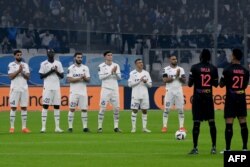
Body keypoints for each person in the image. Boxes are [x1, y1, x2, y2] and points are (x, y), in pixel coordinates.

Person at [187, 49, 219, 155]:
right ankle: (213, 147)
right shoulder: (213, 68)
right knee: (212, 123)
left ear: (200, 56)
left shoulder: (195, 67)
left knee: (196, 123)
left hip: (198, 98)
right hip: (208, 97)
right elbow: (215, 84)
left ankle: (195, 148)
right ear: (209, 56)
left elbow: (190, 84)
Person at [219, 49, 249, 152]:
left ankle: (228, 149)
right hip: (241, 98)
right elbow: (244, 86)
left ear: (234, 56)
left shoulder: (227, 70)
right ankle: (245, 148)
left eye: (232, 55)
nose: (231, 56)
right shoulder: (245, 71)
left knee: (229, 123)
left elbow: (221, 84)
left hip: (231, 98)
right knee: (243, 122)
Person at [39, 49, 64, 133]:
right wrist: (51, 71)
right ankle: (43, 127)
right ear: (47, 54)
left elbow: (62, 76)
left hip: (56, 87)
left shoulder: (58, 63)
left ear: (54, 53)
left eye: (52, 52)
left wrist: (56, 71)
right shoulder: (43, 64)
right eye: (49, 52)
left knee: (57, 106)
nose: (51, 53)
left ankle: (57, 127)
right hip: (47, 87)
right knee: (45, 106)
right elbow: (41, 76)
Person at [97, 50, 122, 133]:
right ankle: (100, 127)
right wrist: (111, 73)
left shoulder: (116, 65)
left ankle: (116, 127)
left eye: (111, 55)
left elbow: (119, 78)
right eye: (108, 55)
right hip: (105, 89)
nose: (110, 56)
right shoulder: (101, 66)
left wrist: (115, 73)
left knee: (116, 109)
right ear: (105, 57)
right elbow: (101, 78)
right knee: (103, 108)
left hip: (115, 89)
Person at [161, 55, 186, 133]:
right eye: (173, 59)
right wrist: (176, 76)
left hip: (179, 91)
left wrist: (178, 77)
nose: (175, 60)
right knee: (167, 109)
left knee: (181, 109)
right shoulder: (166, 69)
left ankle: (181, 127)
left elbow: (184, 81)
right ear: (170, 60)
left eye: (175, 59)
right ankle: (164, 126)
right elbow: (165, 80)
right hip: (169, 91)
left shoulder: (181, 69)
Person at [8, 50, 31, 133]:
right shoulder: (11, 65)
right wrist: (18, 71)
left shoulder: (25, 65)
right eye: (18, 55)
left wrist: (22, 71)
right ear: (14, 56)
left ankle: (24, 128)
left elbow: (28, 77)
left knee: (24, 107)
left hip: (24, 88)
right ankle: (12, 127)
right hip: (15, 88)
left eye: (20, 55)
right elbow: (11, 77)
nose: (19, 56)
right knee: (13, 107)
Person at [67, 52, 90, 132]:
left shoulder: (85, 68)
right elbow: (69, 80)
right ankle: (70, 127)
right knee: (72, 109)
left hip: (83, 92)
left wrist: (84, 78)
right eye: (78, 57)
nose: (80, 59)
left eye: (81, 57)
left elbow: (88, 80)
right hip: (74, 92)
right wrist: (80, 78)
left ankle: (85, 127)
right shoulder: (71, 68)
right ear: (75, 58)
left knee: (84, 109)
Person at [128, 58, 152, 133]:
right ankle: (133, 128)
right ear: (136, 64)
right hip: (135, 94)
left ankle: (144, 128)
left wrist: (146, 82)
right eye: (139, 62)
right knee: (134, 110)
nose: (141, 64)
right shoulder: (132, 73)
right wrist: (139, 81)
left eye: (141, 62)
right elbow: (129, 84)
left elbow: (150, 85)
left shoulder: (146, 73)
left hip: (144, 94)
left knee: (144, 110)